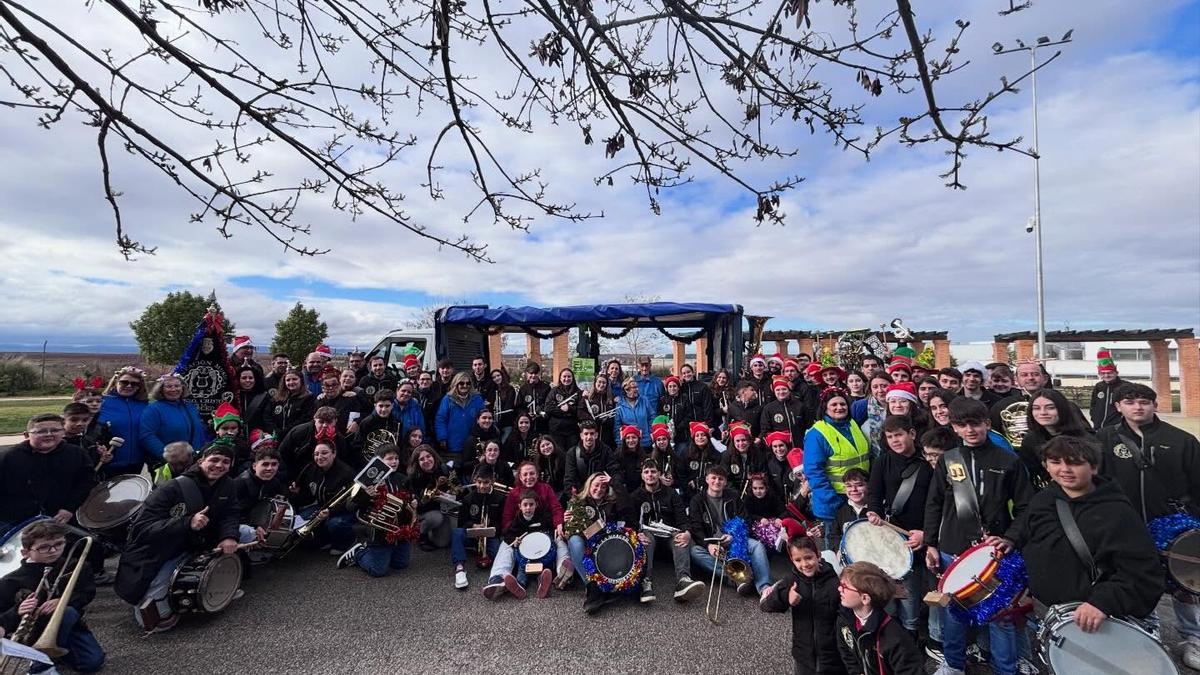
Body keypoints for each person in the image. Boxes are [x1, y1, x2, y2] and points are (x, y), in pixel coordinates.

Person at [989, 436, 1163, 633]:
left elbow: (1142, 572)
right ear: (1046, 466)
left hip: (1096, 618)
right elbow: (1030, 539)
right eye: (1056, 462)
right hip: (1052, 615)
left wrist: (1102, 603)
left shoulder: (1117, 513)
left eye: (1075, 463)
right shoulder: (1044, 499)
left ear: (1094, 467)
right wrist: (1010, 541)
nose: (1065, 470)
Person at [924, 397, 1033, 675]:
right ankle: (953, 664)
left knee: (1000, 616)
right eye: (963, 424)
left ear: (987, 423)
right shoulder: (949, 460)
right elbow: (934, 503)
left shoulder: (1008, 461)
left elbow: (1025, 507)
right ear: (955, 428)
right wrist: (930, 545)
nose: (970, 430)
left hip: (995, 551)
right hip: (952, 548)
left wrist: (1010, 538)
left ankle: (1006, 669)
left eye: (976, 423)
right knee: (953, 614)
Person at [1097, 382, 1200, 667]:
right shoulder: (1103, 439)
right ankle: (1147, 631)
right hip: (1125, 524)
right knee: (1135, 579)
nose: (1138, 406)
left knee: (1185, 584)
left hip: (1175, 524)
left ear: (1154, 405)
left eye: (1144, 401)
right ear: (1118, 407)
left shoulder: (1182, 440)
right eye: (1130, 402)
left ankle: (1193, 638)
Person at [115, 440, 241, 633]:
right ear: (200, 461)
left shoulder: (228, 485)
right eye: (214, 460)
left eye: (225, 462)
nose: (219, 465)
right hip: (163, 548)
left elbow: (231, 513)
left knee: (246, 533)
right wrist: (186, 522)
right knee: (154, 620)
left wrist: (229, 536)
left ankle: (215, 583)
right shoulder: (171, 488)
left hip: (198, 541)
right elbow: (141, 529)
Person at [0, 521, 105, 673]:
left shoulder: (75, 566)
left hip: (69, 627)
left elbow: (86, 593)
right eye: (44, 547)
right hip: (32, 634)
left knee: (91, 664)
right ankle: (42, 657)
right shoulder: (10, 580)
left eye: (59, 544)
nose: (53, 550)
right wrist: (17, 611)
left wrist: (63, 601)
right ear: (25, 553)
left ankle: (52, 652)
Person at [866, 414, 933, 636]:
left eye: (899, 435)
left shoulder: (927, 462)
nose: (895, 440)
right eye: (890, 436)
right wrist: (873, 512)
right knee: (905, 586)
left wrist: (927, 533)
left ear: (912, 434)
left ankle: (927, 630)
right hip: (895, 533)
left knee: (932, 586)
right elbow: (874, 494)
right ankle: (906, 630)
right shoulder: (883, 461)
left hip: (925, 532)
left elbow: (939, 501)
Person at [0, 414, 97, 544]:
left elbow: (85, 483)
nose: (49, 434)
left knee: (90, 547)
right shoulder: (8, 457)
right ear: (26, 435)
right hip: (17, 520)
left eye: (55, 430)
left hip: (64, 516)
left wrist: (69, 508)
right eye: (41, 431)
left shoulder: (76, 454)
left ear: (63, 432)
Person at [483, 461, 571, 598]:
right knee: (506, 545)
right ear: (520, 476)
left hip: (544, 530)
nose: (528, 477)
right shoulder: (514, 493)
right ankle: (498, 578)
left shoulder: (545, 488)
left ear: (537, 475)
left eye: (532, 473)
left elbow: (556, 509)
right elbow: (507, 518)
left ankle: (563, 573)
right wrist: (512, 538)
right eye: (525, 474)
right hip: (521, 534)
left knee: (559, 540)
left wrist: (559, 524)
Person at [760, 534, 845, 675]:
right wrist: (786, 598)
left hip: (832, 657)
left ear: (818, 555)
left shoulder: (834, 582)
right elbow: (766, 606)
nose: (804, 564)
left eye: (808, 557)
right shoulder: (792, 581)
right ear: (792, 561)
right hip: (803, 657)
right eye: (798, 560)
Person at [688, 465, 773, 600]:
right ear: (707, 479)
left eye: (720, 479)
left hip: (734, 538)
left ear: (725, 482)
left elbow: (745, 519)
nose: (717, 482)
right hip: (712, 542)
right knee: (695, 552)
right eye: (713, 478)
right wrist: (708, 546)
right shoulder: (697, 500)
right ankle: (736, 578)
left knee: (757, 545)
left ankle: (764, 588)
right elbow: (696, 527)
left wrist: (733, 535)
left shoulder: (733, 496)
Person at [563, 472, 640, 612]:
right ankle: (593, 588)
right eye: (596, 485)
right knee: (575, 541)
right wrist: (598, 527)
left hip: (606, 545)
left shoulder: (612, 503)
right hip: (586, 544)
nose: (599, 489)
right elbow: (572, 530)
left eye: (603, 487)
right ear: (589, 485)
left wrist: (615, 484)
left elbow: (628, 509)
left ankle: (615, 584)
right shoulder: (578, 501)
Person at [802, 389, 870, 546]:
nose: (839, 407)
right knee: (837, 548)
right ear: (825, 408)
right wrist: (834, 503)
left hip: (858, 497)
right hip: (834, 501)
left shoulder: (852, 424)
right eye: (834, 404)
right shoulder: (817, 433)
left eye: (843, 404)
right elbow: (814, 472)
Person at [630, 459, 705, 601]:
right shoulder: (635, 496)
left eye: (653, 472)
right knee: (646, 538)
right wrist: (637, 533)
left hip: (669, 535)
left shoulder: (671, 493)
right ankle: (645, 583)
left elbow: (682, 517)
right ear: (642, 476)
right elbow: (632, 521)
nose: (650, 475)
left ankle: (683, 581)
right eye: (646, 472)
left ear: (659, 474)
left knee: (680, 537)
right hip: (649, 537)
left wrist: (687, 532)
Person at [337, 444, 416, 577]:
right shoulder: (367, 480)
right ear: (379, 461)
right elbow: (350, 506)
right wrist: (366, 495)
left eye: (396, 458)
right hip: (378, 533)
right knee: (378, 571)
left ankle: (386, 553)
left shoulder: (402, 479)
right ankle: (359, 553)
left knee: (401, 564)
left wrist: (414, 501)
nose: (394, 461)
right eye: (390, 458)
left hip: (400, 529)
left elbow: (412, 495)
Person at [835, 561, 923, 675]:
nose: (839, 589)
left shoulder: (895, 639)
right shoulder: (844, 620)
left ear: (865, 598)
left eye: (844, 586)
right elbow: (847, 653)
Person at [1017, 388, 1092, 491]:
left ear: (1062, 409)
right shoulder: (1030, 439)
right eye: (1036, 408)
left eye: (1050, 408)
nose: (1043, 413)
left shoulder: (1085, 440)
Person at [289, 440, 356, 555]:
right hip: (322, 507)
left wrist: (331, 512)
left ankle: (346, 543)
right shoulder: (311, 469)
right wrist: (296, 493)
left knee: (336, 523)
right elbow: (308, 498)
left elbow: (352, 503)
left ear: (334, 454)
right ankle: (327, 538)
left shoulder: (347, 473)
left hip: (343, 511)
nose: (319, 457)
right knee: (299, 519)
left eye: (324, 453)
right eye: (316, 454)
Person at [450, 464, 506, 589]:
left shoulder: (500, 498)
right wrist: (473, 525)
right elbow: (462, 522)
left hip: (491, 535)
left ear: (492, 481)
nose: (482, 486)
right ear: (475, 480)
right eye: (479, 482)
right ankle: (460, 568)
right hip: (473, 535)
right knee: (456, 532)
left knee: (497, 553)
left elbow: (502, 523)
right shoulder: (468, 498)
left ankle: (496, 573)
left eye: (486, 482)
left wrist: (490, 528)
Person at [502, 489, 557, 599]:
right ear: (520, 506)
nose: (528, 508)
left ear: (536, 504)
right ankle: (519, 586)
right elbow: (508, 535)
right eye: (525, 505)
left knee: (544, 568)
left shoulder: (543, 516)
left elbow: (550, 530)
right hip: (525, 555)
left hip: (541, 553)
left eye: (531, 504)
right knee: (522, 569)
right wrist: (514, 541)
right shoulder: (518, 520)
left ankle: (542, 583)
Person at [96, 365, 150, 477]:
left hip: (136, 462)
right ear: (116, 382)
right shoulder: (101, 402)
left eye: (134, 384)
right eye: (124, 382)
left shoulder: (144, 405)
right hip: (107, 462)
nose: (129, 386)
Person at [233, 445, 287, 543]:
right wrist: (254, 526)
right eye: (265, 464)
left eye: (274, 464)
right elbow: (231, 512)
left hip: (259, 521)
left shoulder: (275, 483)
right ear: (254, 466)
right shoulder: (240, 483)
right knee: (250, 533)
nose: (270, 468)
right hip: (238, 523)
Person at [408, 445, 456, 551]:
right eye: (421, 459)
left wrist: (451, 494)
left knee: (442, 543)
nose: (426, 460)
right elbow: (418, 506)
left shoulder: (445, 469)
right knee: (435, 518)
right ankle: (421, 535)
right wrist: (431, 497)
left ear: (433, 456)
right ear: (417, 463)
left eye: (428, 456)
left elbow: (459, 487)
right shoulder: (414, 477)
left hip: (443, 509)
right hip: (423, 512)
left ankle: (433, 531)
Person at [278, 406, 347, 478]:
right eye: (321, 422)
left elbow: (342, 461)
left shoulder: (340, 439)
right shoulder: (299, 432)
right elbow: (282, 453)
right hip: (297, 471)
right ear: (315, 420)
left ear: (335, 421)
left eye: (329, 422)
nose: (325, 426)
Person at [435, 372, 487, 469]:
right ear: (456, 384)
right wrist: (442, 437)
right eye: (461, 383)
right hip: (453, 443)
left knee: (472, 468)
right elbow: (440, 419)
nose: (465, 386)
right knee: (455, 470)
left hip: (472, 441)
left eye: (468, 383)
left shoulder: (477, 399)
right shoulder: (448, 399)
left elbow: (483, 417)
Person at [563, 421, 620, 495]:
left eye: (592, 434)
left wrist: (611, 481)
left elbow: (615, 471)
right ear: (581, 436)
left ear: (596, 435)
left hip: (601, 493)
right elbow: (569, 479)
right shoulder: (572, 453)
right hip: (581, 493)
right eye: (586, 434)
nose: (589, 437)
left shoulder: (606, 451)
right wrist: (574, 496)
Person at [761, 377, 815, 448]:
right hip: (780, 449)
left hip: (801, 445)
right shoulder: (768, 408)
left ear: (789, 390)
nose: (781, 392)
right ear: (774, 392)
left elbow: (809, 426)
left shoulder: (800, 406)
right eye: (778, 390)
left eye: (784, 389)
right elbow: (766, 430)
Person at [353, 390, 405, 463]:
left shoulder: (397, 423)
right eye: (381, 406)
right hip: (369, 462)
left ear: (392, 406)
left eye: (387, 406)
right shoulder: (366, 423)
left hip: (391, 463)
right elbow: (357, 446)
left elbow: (399, 445)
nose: (384, 409)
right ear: (375, 405)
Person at [851, 372, 892, 459]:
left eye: (884, 386)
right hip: (869, 457)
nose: (880, 390)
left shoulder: (898, 405)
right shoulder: (860, 406)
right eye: (875, 387)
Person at [268, 366, 317, 438]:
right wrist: (275, 431)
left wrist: (286, 432)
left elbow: (305, 419)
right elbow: (267, 416)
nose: (291, 382)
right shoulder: (277, 398)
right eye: (288, 380)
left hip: (297, 436)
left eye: (294, 379)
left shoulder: (309, 398)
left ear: (301, 380)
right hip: (276, 436)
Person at [828, 468, 869, 552]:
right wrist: (837, 550)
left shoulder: (879, 509)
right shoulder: (841, 510)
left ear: (869, 486)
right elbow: (834, 536)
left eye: (859, 485)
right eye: (849, 486)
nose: (854, 489)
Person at [1088, 348, 1124, 430]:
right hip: (1098, 427)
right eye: (1103, 373)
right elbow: (1093, 405)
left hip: (1117, 428)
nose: (1106, 375)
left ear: (1116, 372)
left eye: (1109, 373)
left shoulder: (1124, 386)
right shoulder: (1098, 386)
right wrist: (1094, 418)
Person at [613, 377, 654, 448]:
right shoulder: (620, 405)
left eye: (637, 387)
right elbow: (617, 426)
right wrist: (619, 443)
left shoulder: (644, 400)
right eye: (634, 387)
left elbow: (652, 418)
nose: (637, 389)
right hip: (629, 443)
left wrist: (651, 435)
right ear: (626, 390)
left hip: (645, 442)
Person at [516, 362, 551, 434]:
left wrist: (540, 411)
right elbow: (518, 407)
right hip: (528, 424)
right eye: (531, 373)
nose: (533, 376)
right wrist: (526, 414)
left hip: (543, 423)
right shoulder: (523, 389)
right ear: (526, 374)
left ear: (539, 374)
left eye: (535, 373)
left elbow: (549, 404)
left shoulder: (546, 388)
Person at [490, 368, 519, 435]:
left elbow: (509, 406)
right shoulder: (492, 390)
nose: (497, 378)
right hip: (494, 423)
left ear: (502, 376)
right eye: (494, 377)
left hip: (506, 422)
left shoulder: (510, 389)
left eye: (498, 375)